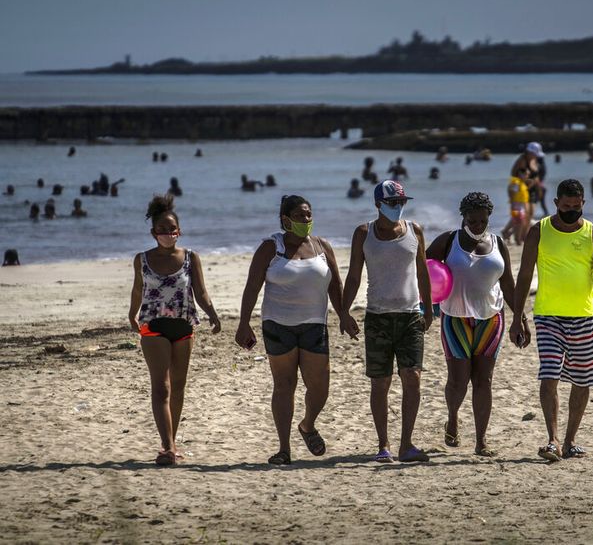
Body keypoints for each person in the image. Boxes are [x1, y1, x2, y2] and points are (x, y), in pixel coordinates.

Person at [235, 195, 357, 465]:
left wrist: (344, 314)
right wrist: (244, 322)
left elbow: (335, 285)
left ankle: (307, 425)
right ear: (285, 219)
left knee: (320, 388)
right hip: (278, 325)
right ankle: (284, 449)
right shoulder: (271, 247)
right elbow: (252, 286)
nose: (306, 219)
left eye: (308, 214)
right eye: (300, 215)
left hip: (315, 324)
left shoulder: (322, 246)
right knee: (284, 385)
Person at [509, 178, 593, 462]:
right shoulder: (539, 231)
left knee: (582, 381)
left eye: (576, 206)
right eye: (566, 206)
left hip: (584, 317)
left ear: (583, 204)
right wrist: (518, 316)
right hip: (548, 316)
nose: (571, 210)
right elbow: (524, 275)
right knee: (549, 374)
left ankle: (570, 441)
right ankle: (553, 440)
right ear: (556, 203)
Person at [341, 180, 433, 463]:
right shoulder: (364, 233)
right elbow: (354, 276)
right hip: (377, 317)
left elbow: (423, 272)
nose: (398, 207)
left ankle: (407, 445)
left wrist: (429, 309)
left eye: (401, 202)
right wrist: (344, 312)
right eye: (392, 203)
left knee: (412, 379)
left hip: (410, 316)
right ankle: (384, 445)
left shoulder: (415, 230)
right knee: (380, 383)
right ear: (378, 204)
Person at [425, 192, 523, 457]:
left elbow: (508, 283)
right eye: (472, 221)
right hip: (455, 318)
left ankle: (481, 441)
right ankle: (453, 418)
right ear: (463, 217)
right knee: (458, 381)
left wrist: (519, 317)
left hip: (491, 318)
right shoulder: (448, 241)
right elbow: (424, 270)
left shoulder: (498, 243)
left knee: (483, 380)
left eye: (483, 221)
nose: (478, 226)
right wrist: (426, 306)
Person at [128, 194, 221, 466]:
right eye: (163, 229)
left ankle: (172, 441)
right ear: (153, 233)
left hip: (183, 327)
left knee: (178, 386)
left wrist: (213, 314)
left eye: (172, 229)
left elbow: (201, 291)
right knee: (162, 387)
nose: (168, 233)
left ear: (179, 231)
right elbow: (137, 290)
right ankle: (167, 447)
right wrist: (132, 314)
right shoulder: (142, 259)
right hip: (153, 327)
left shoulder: (191, 258)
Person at [501, 163, 533, 246]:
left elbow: (522, 194)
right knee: (519, 222)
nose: (527, 176)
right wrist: (512, 205)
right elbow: (511, 192)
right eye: (526, 174)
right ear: (520, 174)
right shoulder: (516, 183)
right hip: (516, 206)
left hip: (520, 206)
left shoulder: (521, 183)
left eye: (528, 174)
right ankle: (517, 239)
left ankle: (507, 233)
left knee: (518, 222)